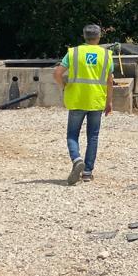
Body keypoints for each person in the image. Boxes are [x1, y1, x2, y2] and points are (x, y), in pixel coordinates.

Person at [53, 24, 114, 185]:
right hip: (96, 101)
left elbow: (57, 73)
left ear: (84, 36)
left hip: (77, 99)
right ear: (99, 36)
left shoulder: (74, 52)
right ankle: (87, 172)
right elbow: (110, 81)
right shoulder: (107, 55)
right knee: (93, 136)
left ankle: (77, 159)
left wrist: (65, 86)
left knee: (72, 135)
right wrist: (109, 102)